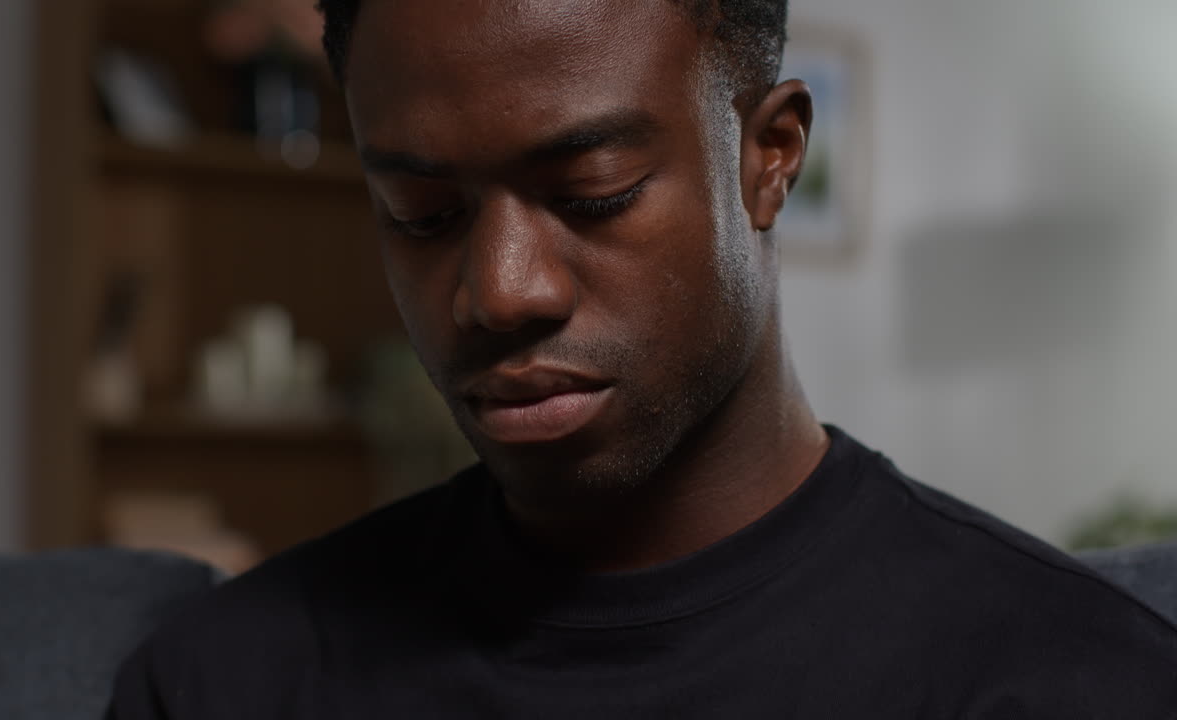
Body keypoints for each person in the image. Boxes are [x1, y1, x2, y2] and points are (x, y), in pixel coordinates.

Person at [107, 0, 1177, 716]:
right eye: (423, 214)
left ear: (768, 158)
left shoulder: (1071, 682)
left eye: (592, 194)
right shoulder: (223, 683)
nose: (499, 289)